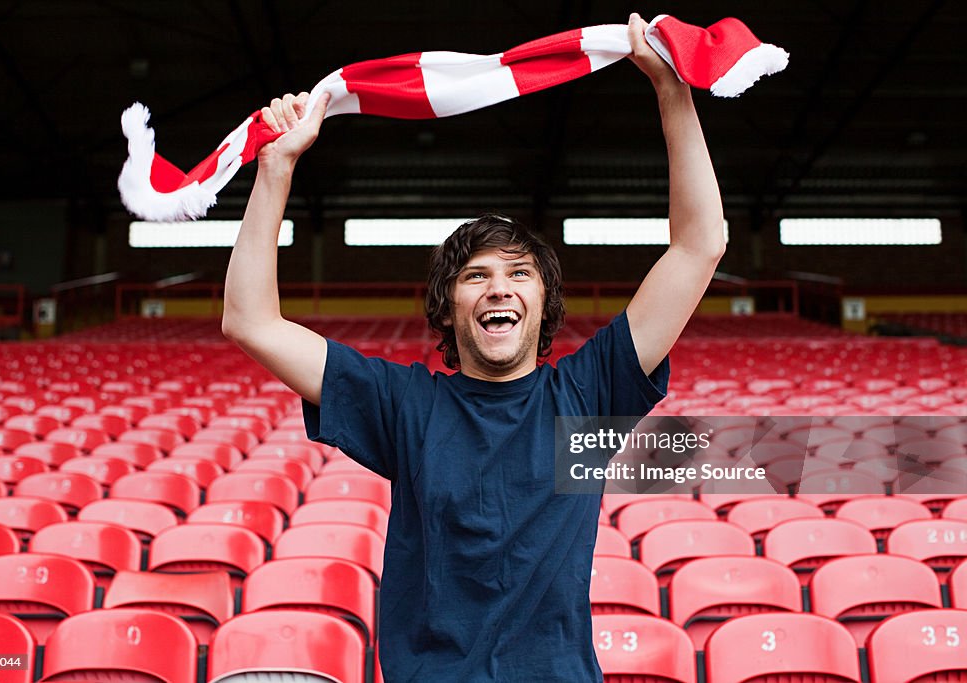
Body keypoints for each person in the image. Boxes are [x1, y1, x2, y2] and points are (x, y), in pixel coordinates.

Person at [222, 13, 724, 682]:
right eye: (476, 275)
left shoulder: (588, 393)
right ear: (448, 305)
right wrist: (275, 169)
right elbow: (250, 320)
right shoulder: (406, 404)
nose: (500, 288)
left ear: (542, 303)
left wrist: (673, 92)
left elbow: (700, 244)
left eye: (521, 274)